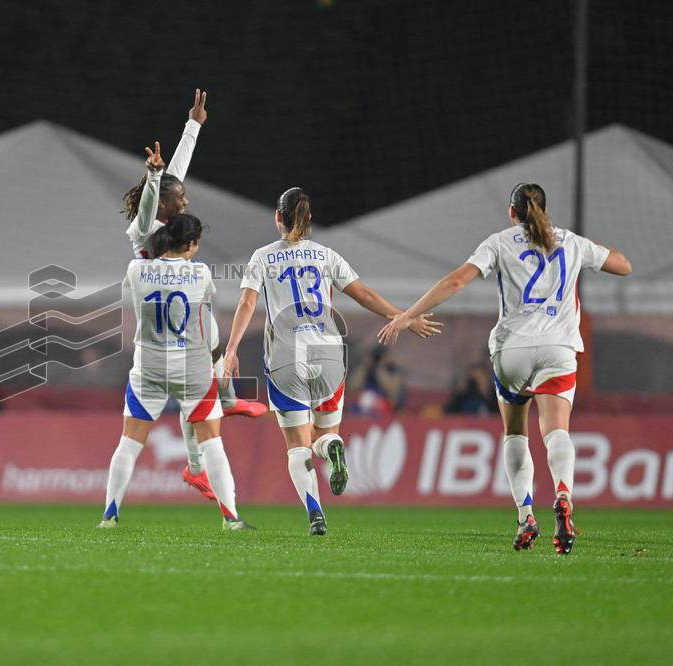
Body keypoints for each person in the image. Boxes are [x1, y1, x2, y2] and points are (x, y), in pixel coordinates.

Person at [378, 183, 632, 554]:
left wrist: (406, 315)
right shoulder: (572, 242)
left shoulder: (499, 242)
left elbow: (456, 280)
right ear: (545, 209)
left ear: (512, 213)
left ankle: (525, 515)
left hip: (512, 351)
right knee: (556, 430)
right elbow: (623, 265)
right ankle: (563, 495)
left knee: (516, 433)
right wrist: (583, 248)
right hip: (557, 350)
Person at [223, 187, 441, 535]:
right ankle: (333, 446)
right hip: (328, 352)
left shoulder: (262, 257)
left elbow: (247, 304)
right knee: (325, 434)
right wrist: (404, 317)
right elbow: (365, 295)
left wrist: (232, 349)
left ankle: (316, 514)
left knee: (297, 446)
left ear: (278, 217)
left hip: (286, 356)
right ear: (308, 220)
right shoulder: (325, 255)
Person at [121, 89, 266, 505]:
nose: (186, 200)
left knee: (202, 361)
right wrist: (152, 176)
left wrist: (193, 125)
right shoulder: (145, 228)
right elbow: (157, 195)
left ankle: (199, 463)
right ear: (164, 204)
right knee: (205, 351)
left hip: (176, 296)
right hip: (157, 298)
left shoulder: (170, 210)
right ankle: (224, 399)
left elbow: (175, 176)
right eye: (178, 198)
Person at [99, 214, 252, 530]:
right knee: (212, 443)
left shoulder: (137, 270)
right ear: (193, 244)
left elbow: (141, 256)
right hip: (192, 369)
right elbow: (205, 314)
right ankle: (231, 518)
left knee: (129, 442)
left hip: (149, 368)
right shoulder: (200, 273)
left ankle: (110, 515)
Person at [346, 344, 405, 415]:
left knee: (369, 400)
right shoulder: (366, 370)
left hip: (385, 405)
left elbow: (393, 393)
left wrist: (380, 368)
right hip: (365, 404)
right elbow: (353, 386)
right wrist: (364, 367)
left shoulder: (393, 370)